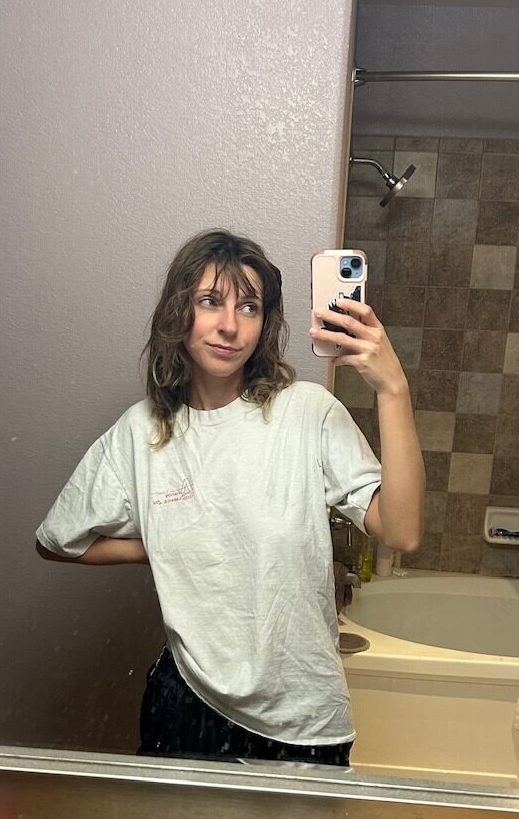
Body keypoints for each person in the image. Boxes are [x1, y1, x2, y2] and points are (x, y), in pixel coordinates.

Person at [35, 229, 424, 766]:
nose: (230, 326)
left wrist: (392, 389)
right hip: (186, 704)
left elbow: (402, 531)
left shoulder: (306, 411)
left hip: (304, 719)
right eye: (209, 301)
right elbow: (57, 541)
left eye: (249, 307)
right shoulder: (142, 431)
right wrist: (164, 544)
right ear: (179, 313)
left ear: (265, 325)